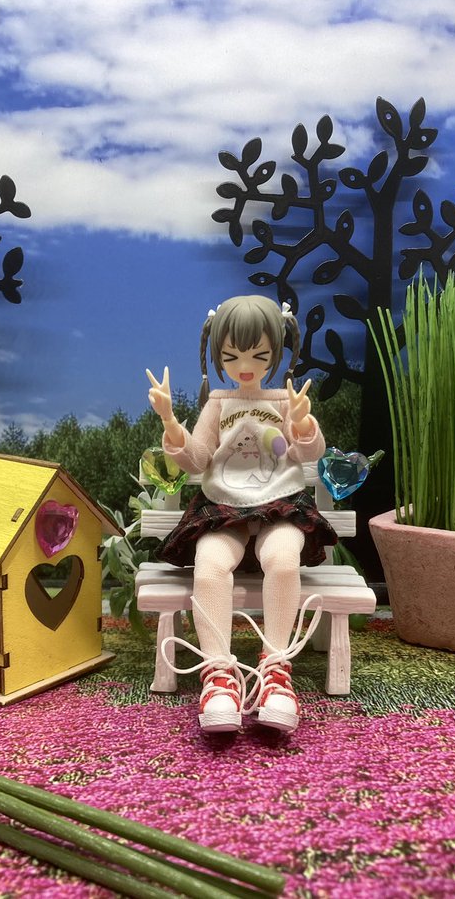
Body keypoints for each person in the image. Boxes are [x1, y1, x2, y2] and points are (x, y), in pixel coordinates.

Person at [145, 294, 337, 734]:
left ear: (277, 352)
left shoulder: (285, 399)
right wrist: (171, 422)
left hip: (280, 502)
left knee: (283, 560)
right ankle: (217, 674)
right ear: (217, 356)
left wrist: (303, 424)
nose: (245, 365)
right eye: (231, 357)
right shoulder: (219, 401)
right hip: (223, 505)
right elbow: (197, 459)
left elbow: (308, 453)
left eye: (259, 355)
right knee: (210, 564)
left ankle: (276, 668)